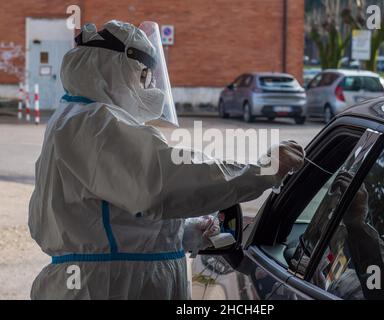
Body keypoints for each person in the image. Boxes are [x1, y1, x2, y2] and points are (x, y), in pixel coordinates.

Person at [28, 20, 305, 300]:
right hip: (110, 287)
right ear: (115, 68)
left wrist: (180, 233)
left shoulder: (78, 118)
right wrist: (261, 170)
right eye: (144, 75)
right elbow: (165, 181)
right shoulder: (96, 124)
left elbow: (108, 215)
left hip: (111, 279)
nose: (147, 85)